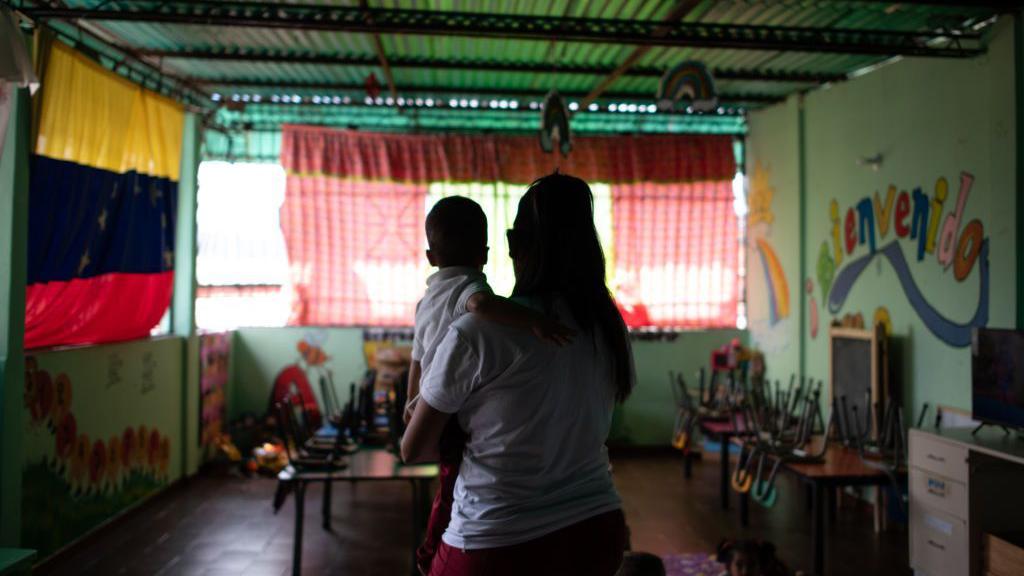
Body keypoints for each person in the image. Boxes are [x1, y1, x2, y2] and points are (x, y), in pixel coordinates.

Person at [402, 173, 634, 576]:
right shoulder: (607, 327)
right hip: (598, 533)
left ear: (512, 245)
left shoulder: (476, 332)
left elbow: (415, 449)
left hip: (495, 543)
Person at [406, 195, 573, 575]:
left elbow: (416, 356)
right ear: (484, 253)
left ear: (431, 257)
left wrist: (411, 400)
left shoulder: (425, 301)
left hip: (429, 403)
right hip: (449, 409)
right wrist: (534, 321)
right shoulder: (467, 286)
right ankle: (430, 549)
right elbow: (483, 305)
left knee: (447, 482)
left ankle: (431, 544)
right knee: (451, 485)